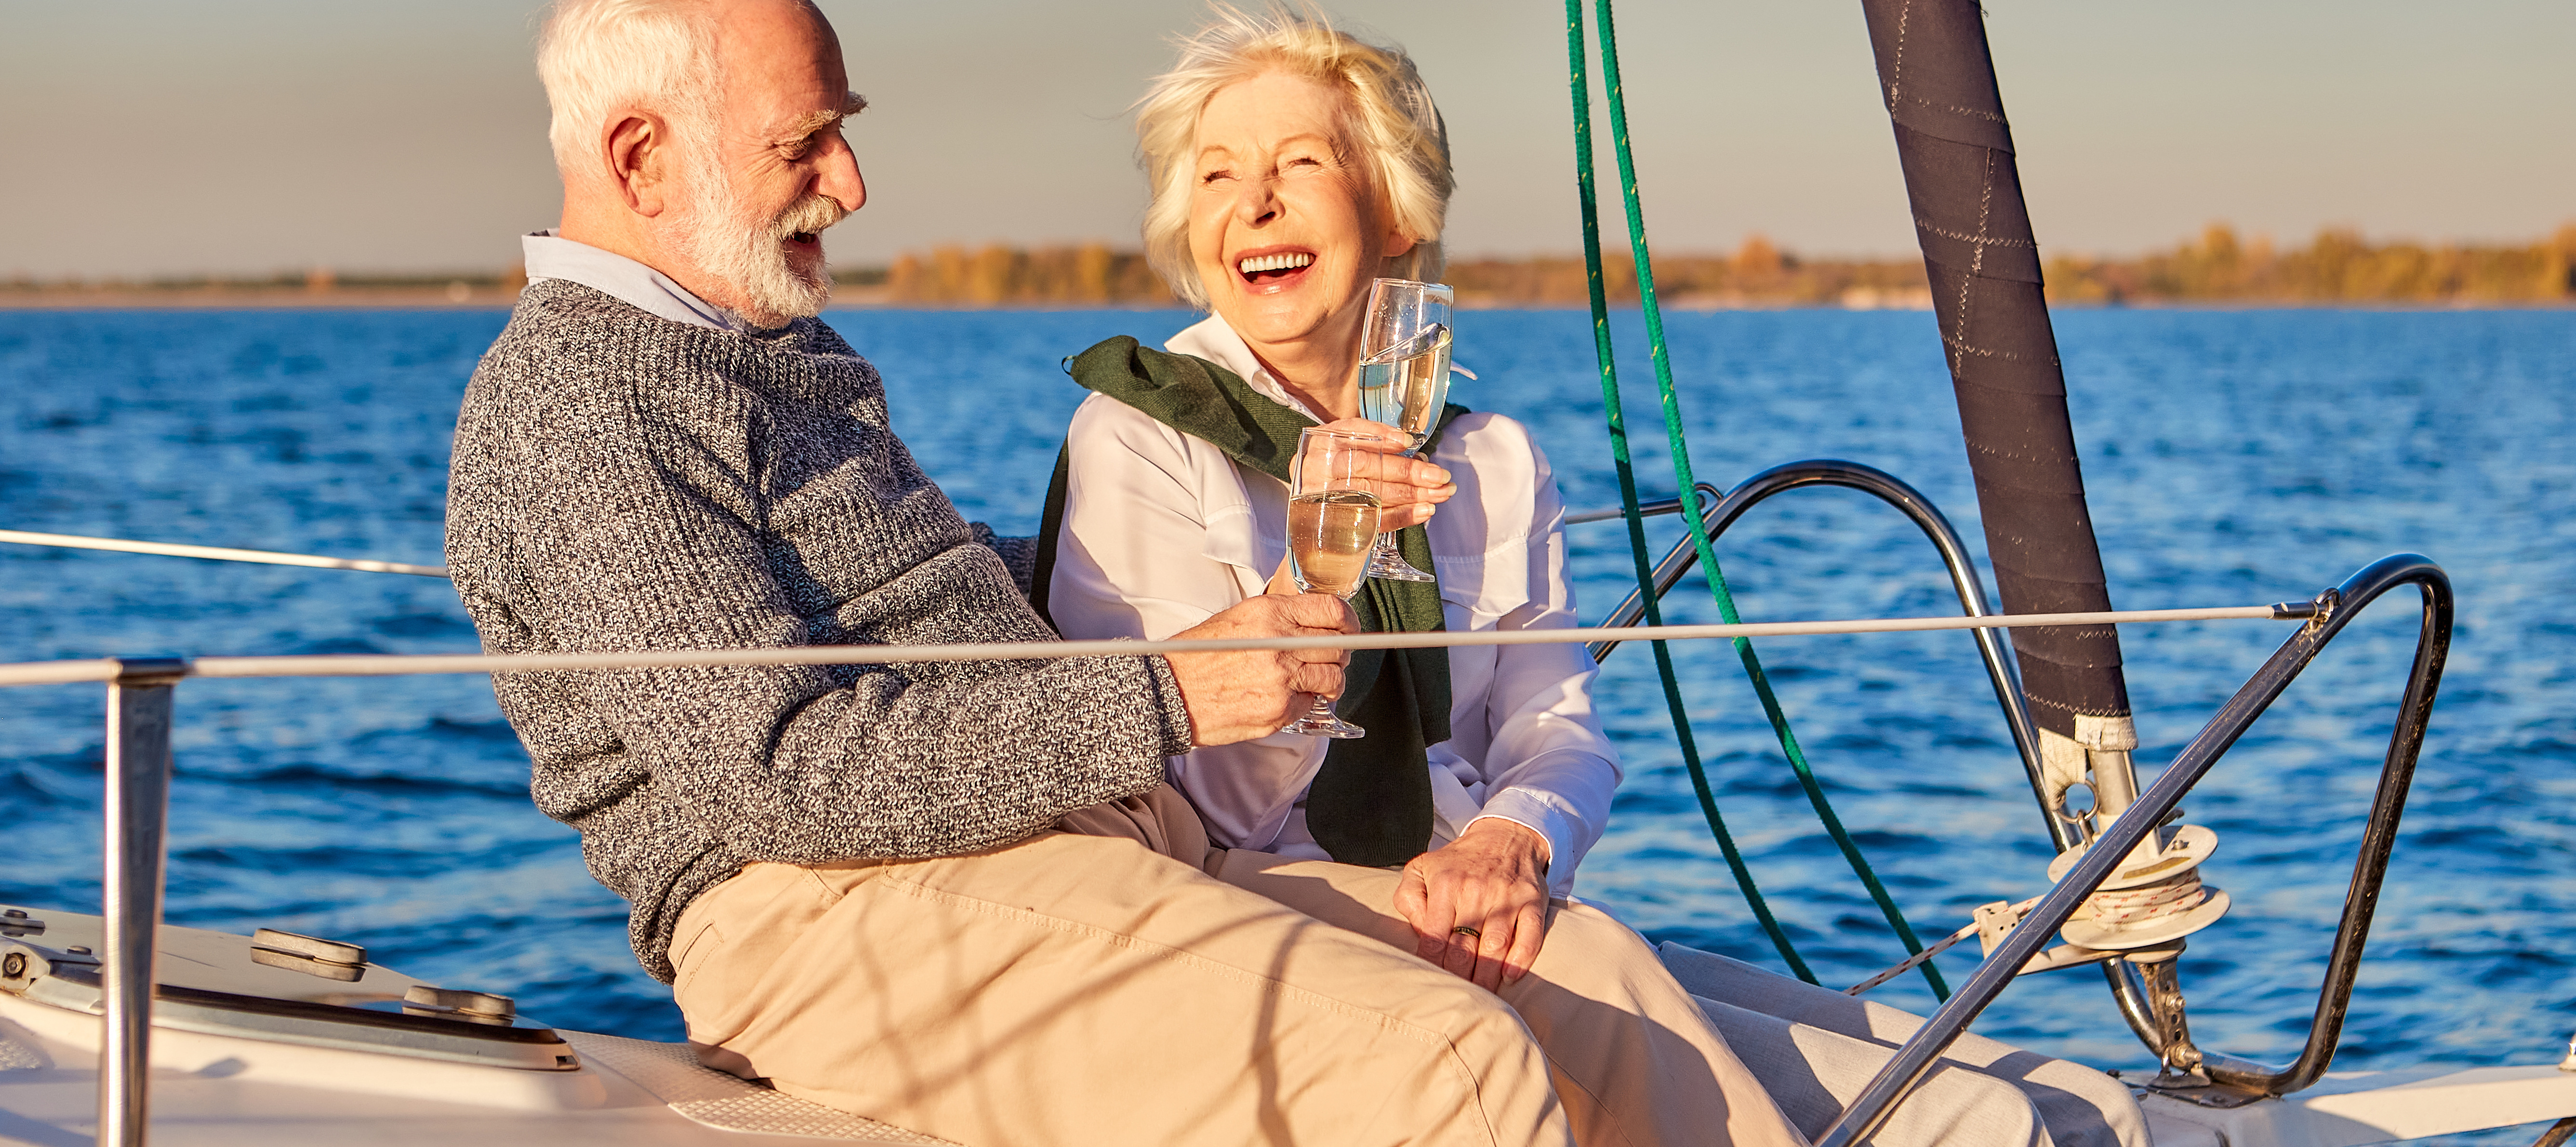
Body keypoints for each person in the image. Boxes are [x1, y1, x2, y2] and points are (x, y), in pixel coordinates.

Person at [450, 1, 1799, 1145]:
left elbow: (927, 599)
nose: (851, 184)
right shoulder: (590, 395)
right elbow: (779, 776)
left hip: (1059, 849)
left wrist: (1244, 549)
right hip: (828, 909)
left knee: (1587, 981)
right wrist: (1164, 690)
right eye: (806, 141)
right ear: (642, 156)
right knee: (1442, 1057)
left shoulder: (743, 348)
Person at [1043, 8, 2150, 1147]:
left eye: (1300, 163)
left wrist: (1511, 841)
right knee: (1960, 1124)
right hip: (1250, 895)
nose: (1253, 203)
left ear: (1392, 205)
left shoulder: (1492, 458)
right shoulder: (1140, 436)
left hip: (1478, 893)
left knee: (2069, 1103)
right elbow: (1210, 795)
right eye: (1217, 174)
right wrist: (1324, 547)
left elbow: (1558, 732)